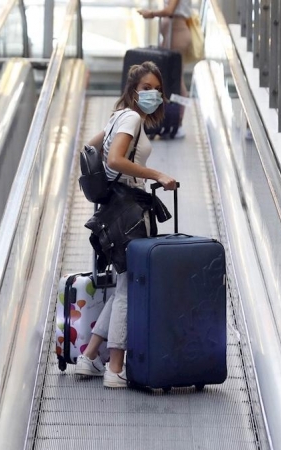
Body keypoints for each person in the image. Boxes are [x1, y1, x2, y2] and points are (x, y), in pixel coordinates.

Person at [75, 62, 177, 388]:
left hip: (115, 209)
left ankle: (89, 357)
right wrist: (156, 174)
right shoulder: (131, 117)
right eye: (146, 87)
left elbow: (90, 148)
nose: (152, 94)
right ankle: (115, 367)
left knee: (125, 286)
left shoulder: (118, 116)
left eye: (157, 89)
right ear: (133, 89)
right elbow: (113, 159)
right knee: (129, 290)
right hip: (128, 211)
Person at [137, 0, 194, 138]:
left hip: (177, 34)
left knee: (176, 80)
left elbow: (169, 11)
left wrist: (151, 13)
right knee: (167, 78)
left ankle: (177, 122)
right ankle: (167, 120)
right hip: (171, 35)